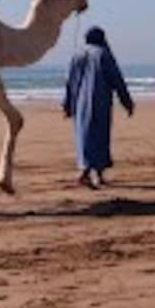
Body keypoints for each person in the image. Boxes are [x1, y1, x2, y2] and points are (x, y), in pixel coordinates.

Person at [63, 26, 134, 189]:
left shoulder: (77, 54)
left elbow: (70, 82)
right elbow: (117, 79)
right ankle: (97, 174)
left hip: (80, 104)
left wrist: (67, 105)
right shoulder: (103, 54)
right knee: (100, 136)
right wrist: (127, 102)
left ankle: (85, 171)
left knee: (83, 136)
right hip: (100, 102)